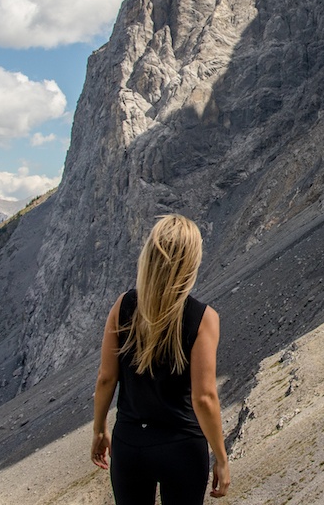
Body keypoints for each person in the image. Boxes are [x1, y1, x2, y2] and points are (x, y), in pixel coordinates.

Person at [91, 214, 231, 503]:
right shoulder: (203, 318)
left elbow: (106, 378)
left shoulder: (123, 305)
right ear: (192, 262)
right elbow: (204, 397)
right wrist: (221, 457)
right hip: (182, 447)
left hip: (131, 442)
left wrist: (99, 429)